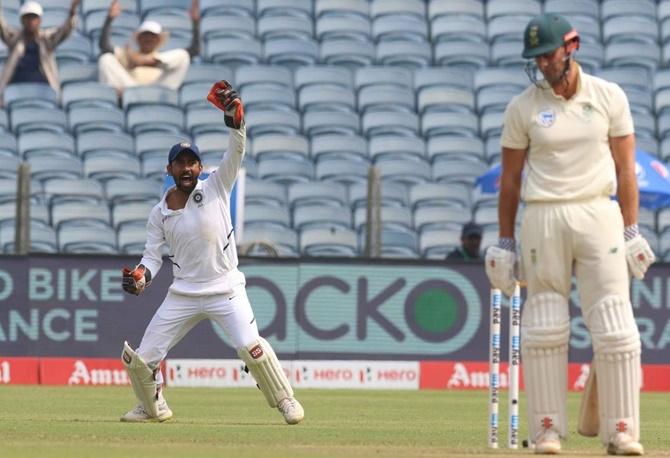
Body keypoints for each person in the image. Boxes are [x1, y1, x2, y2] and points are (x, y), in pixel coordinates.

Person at [485, 13, 654, 456]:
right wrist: (505, 241)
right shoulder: (522, 107)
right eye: (535, 58)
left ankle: (621, 431)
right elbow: (509, 181)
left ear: (571, 46)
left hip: (599, 214)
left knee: (616, 325)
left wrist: (632, 230)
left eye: (548, 54)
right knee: (543, 325)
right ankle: (547, 430)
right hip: (543, 216)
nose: (541, 64)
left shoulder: (608, 96)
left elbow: (625, 171)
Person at [119, 80, 304, 426]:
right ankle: (152, 406)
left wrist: (236, 121)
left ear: (200, 168)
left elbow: (236, 150)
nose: (187, 169)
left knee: (251, 348)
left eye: (193, 163)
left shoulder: (218, 185)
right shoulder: (159, 213)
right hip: (184, 293)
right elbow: (152, 258)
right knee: (142, 360)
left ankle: (285, 401)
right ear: (170, 170)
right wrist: (141, 278)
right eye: (180, 164)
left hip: (226, 289)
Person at [98, 0, 199, 93]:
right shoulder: (127, 54)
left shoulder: (165, 57)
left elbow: (194, 50)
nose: (148, 39)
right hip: (131, 89)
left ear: (158, 40)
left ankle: (149, 62)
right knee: (106, 58)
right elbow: (104, 46)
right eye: (145, 35)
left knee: (183, 56)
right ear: (138, 38)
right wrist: (109, 19)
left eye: (153, 36)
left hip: (159, 90)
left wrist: (196, 23)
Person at [0, 0, 79, 100]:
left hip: (43, 87)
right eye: (27, 17)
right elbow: (2, 29)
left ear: (40, 20)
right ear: (22, 20)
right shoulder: (15, 39)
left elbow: (64, 31)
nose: (30, 21)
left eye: (34, 17)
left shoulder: (46, 39)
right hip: (16, 87)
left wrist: (72, 12)